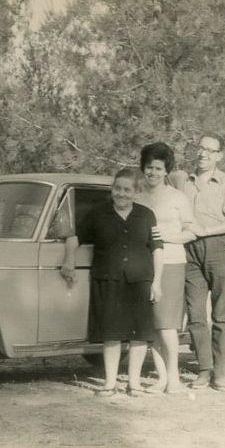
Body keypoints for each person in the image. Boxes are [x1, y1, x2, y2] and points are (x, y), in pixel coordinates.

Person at [60, 167, 164, 396]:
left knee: (139, 335)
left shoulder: (147, 215)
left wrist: (156, 283)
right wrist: (69, 260)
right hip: (107, 280)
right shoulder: (98, 213)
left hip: (140, 282)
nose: (121, 194)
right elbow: (75, 238)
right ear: (112, 190)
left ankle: (134, 383)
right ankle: (110, 383)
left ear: (136, 192)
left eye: (127, 190)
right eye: (117, 189)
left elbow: (157, 250)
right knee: (111, 333)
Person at [170, 134, 225, 390]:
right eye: (200, 148)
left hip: (221, 248)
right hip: (190, 250)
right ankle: (204, 369)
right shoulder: (182, 181)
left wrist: (208, 231)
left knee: (221, 313)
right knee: (195, 313)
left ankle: (221, 371)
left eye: (210, 151)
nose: (203, 154)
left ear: (219, 156)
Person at [135, 142, 197, 393]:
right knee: (152, 325)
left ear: (166, 170)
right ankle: (161, 378)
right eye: (149, 167)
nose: (153, 173)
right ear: (143, 168)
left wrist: (168, 237)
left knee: (167, 324)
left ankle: (174, 378)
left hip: (171, 262)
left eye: (159, 168)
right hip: (144, 264)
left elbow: (192, 231)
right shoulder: (136, 195)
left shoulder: (177, 197)